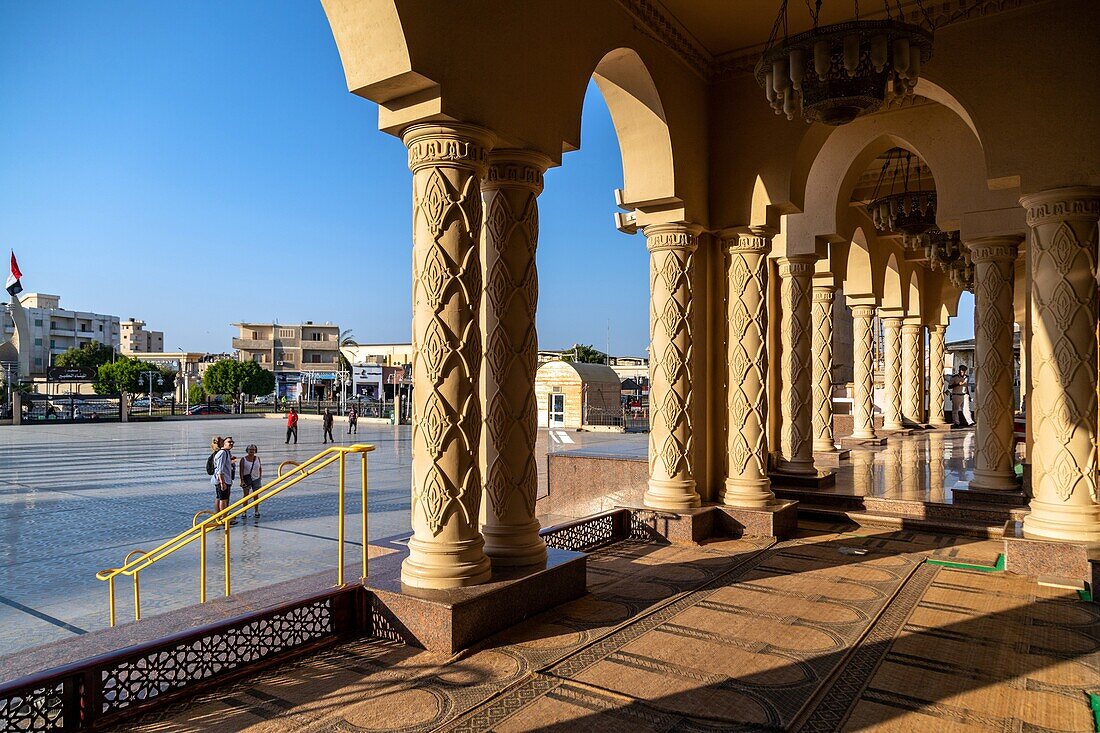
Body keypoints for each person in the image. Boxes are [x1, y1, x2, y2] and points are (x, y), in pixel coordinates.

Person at [211, 436, 238, 525]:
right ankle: (224, 518)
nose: (231, 443)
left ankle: (219, 516)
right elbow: (219, 469)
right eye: (229, 442)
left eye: (232, 442)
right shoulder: (222, 453)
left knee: (219, 497)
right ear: (224, 443)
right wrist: (222, 482)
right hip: (223, 480)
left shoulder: (226, 453)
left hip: (224, 479)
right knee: (223, 499)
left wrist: (231, 461)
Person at [239, 444, 262, 520]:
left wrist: (260, 477)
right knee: (246, 496)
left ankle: (256, 511)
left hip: (256, 479)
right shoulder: (243, 459)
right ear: (247, 450)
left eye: (253, 450)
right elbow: (241, 471)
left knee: (256, 495)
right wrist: (242, 481)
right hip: (247, 479)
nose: (252, 451)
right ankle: (244, 511)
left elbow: (260, 468)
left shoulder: (257, 458)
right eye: (250, 450)